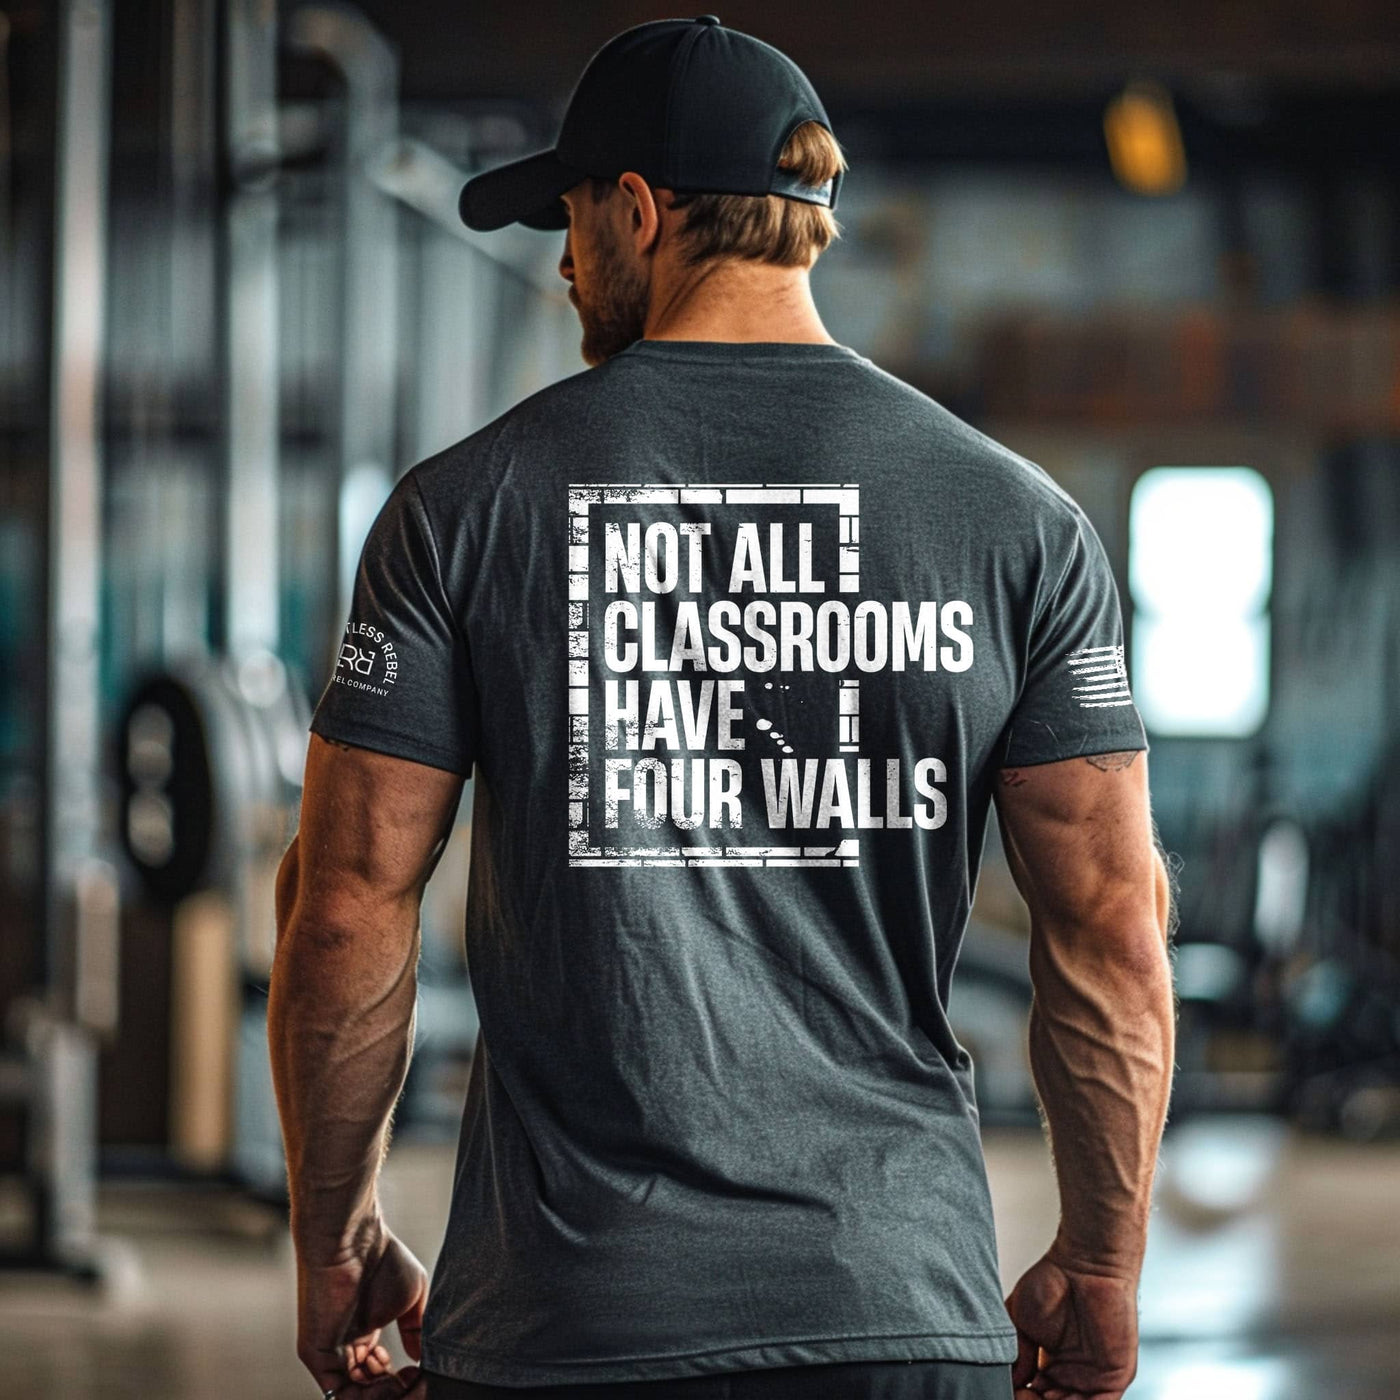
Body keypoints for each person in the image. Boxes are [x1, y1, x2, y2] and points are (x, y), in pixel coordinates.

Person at [267, 15, 1176, 1400]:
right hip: (894, 1313)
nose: (567, 266)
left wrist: (334, 1238)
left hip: (569, 1329)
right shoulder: (1022, 526)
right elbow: (1113, 925)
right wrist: (1104, 1264)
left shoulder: (462, 510)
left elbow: (344, 907)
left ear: (639, 210)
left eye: (572, 223)